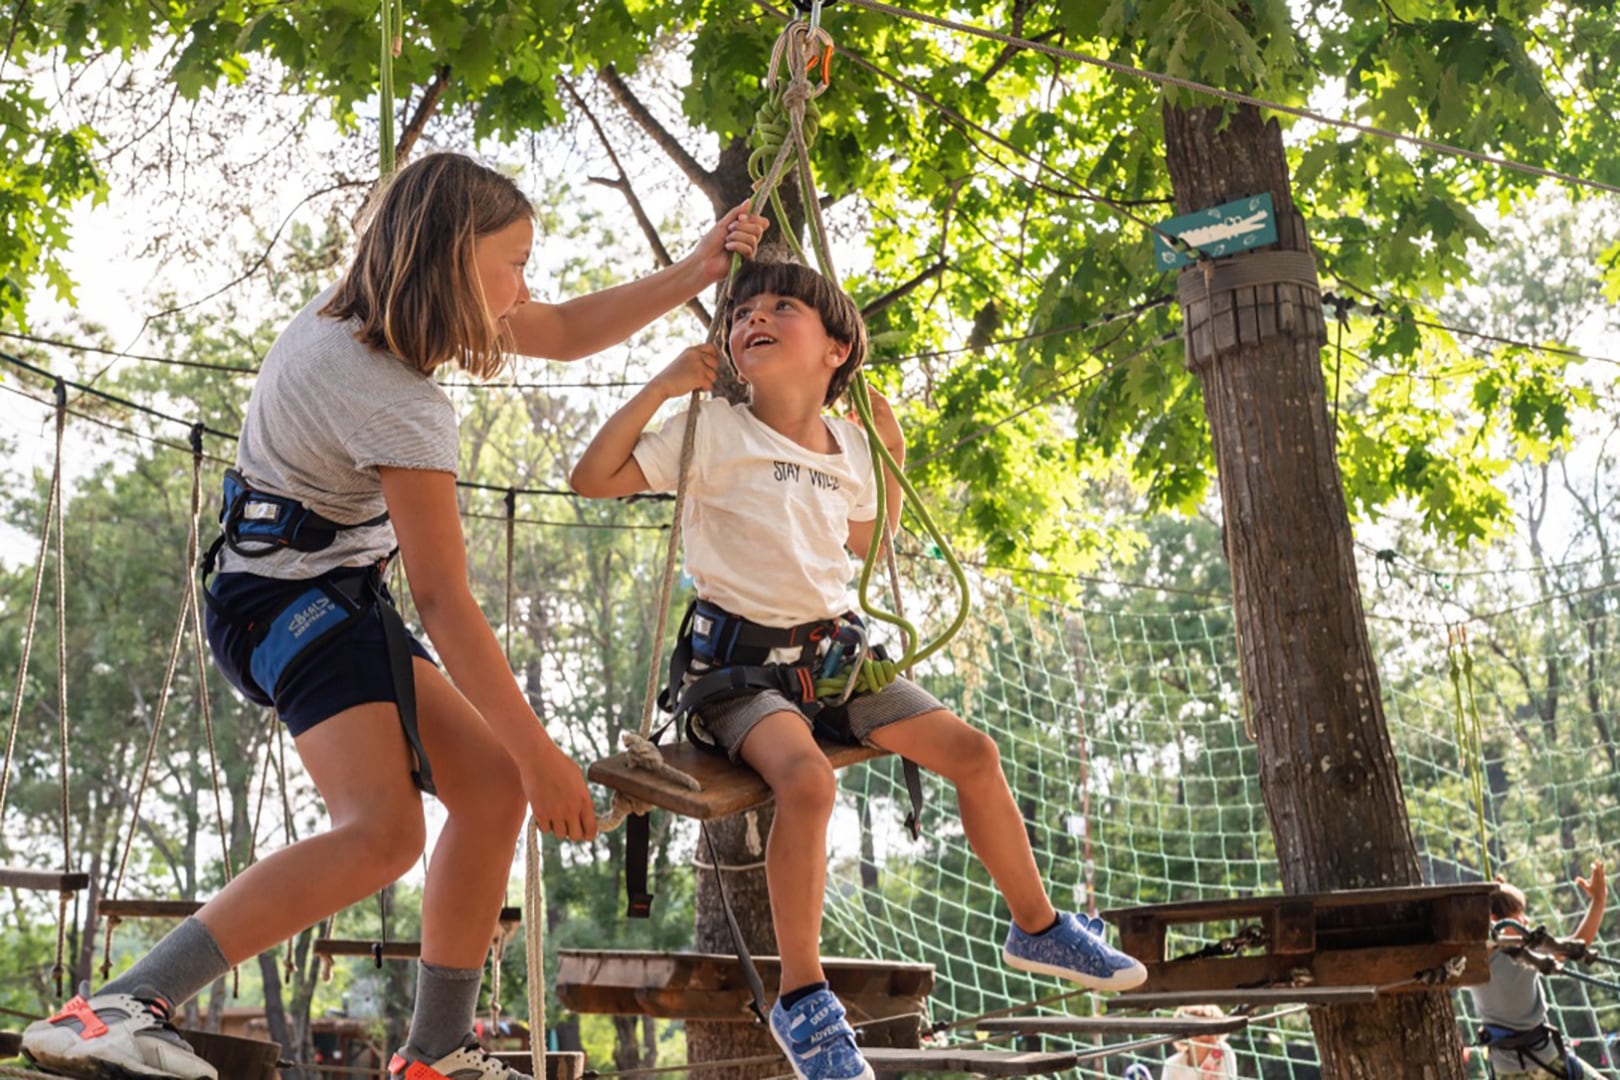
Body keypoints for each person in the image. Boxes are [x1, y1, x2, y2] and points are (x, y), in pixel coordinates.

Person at [21, 151, 767, 1080]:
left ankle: (436, 1053)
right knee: (384, 832)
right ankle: (121, 1006)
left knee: (486, 791)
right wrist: (542, 756)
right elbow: (444, 601)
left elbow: (568, 329)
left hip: (300, 590)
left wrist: (698, 270)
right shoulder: (394, 399)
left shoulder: (352, 315)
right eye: (514, 264)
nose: (523, 289)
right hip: (292, 602)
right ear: (454, 262)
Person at [570, 252, 1147, 1080]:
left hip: (836, 658)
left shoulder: (847, 443)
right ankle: (803, 998)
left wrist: (891, 449)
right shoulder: (713, 430)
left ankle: (1036, 926)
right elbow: (592, 477)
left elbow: (870, 537)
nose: (753, 318)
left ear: (836, 349)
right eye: (742, 313)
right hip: (738, 672)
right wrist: (662, 387)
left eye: (780, 307)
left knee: (973, 753)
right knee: (808, 781)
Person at [1471, 863, 1607, 1079]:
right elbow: (1578, 942)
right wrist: (1599, 902)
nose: (1526, 921)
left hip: (1506, 1071)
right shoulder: (1522, 953)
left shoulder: (1473, 961)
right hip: (1546, 1061)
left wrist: (1494, 900)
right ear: (1496, 920)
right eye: (1518, 914)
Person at [1160, 1005, 1239, 1079]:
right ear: (1185, 1032)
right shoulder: (1172, 1065)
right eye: (1199, 1030)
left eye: (1211, 1029)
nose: (1205, 1035)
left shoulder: (1223, 1053)